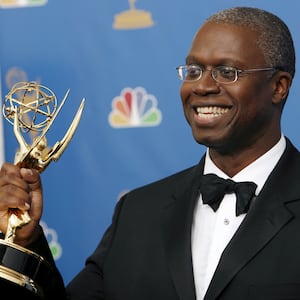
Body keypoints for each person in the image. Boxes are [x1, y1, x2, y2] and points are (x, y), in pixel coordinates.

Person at [0, 5, 300, 300]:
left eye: (227, 71)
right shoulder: (137, 211)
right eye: (194, 70)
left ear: (278, 87)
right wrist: (24, 240)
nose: (202, 86)